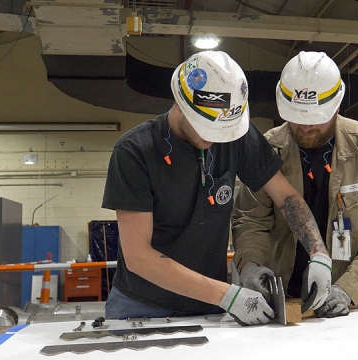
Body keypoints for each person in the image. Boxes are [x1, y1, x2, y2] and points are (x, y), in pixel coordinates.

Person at [101, 51, 332, 325]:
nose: (217, 139)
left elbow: (286, 196)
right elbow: (139, 256)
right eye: (208, 130)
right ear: (180, 104)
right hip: (141, 306)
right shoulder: (134, 152)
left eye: (224, 132)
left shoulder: (232, 132)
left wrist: (319, 252)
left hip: (208, 305)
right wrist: (227, 295)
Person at [232, 51, 358, 318]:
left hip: (353, 303)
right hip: (285, 300)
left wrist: (348, 289)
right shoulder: (267, 151)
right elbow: (250, 221)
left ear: (336, 106)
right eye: (296, 117)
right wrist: (250, 265)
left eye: (315, 118)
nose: (304, 127)